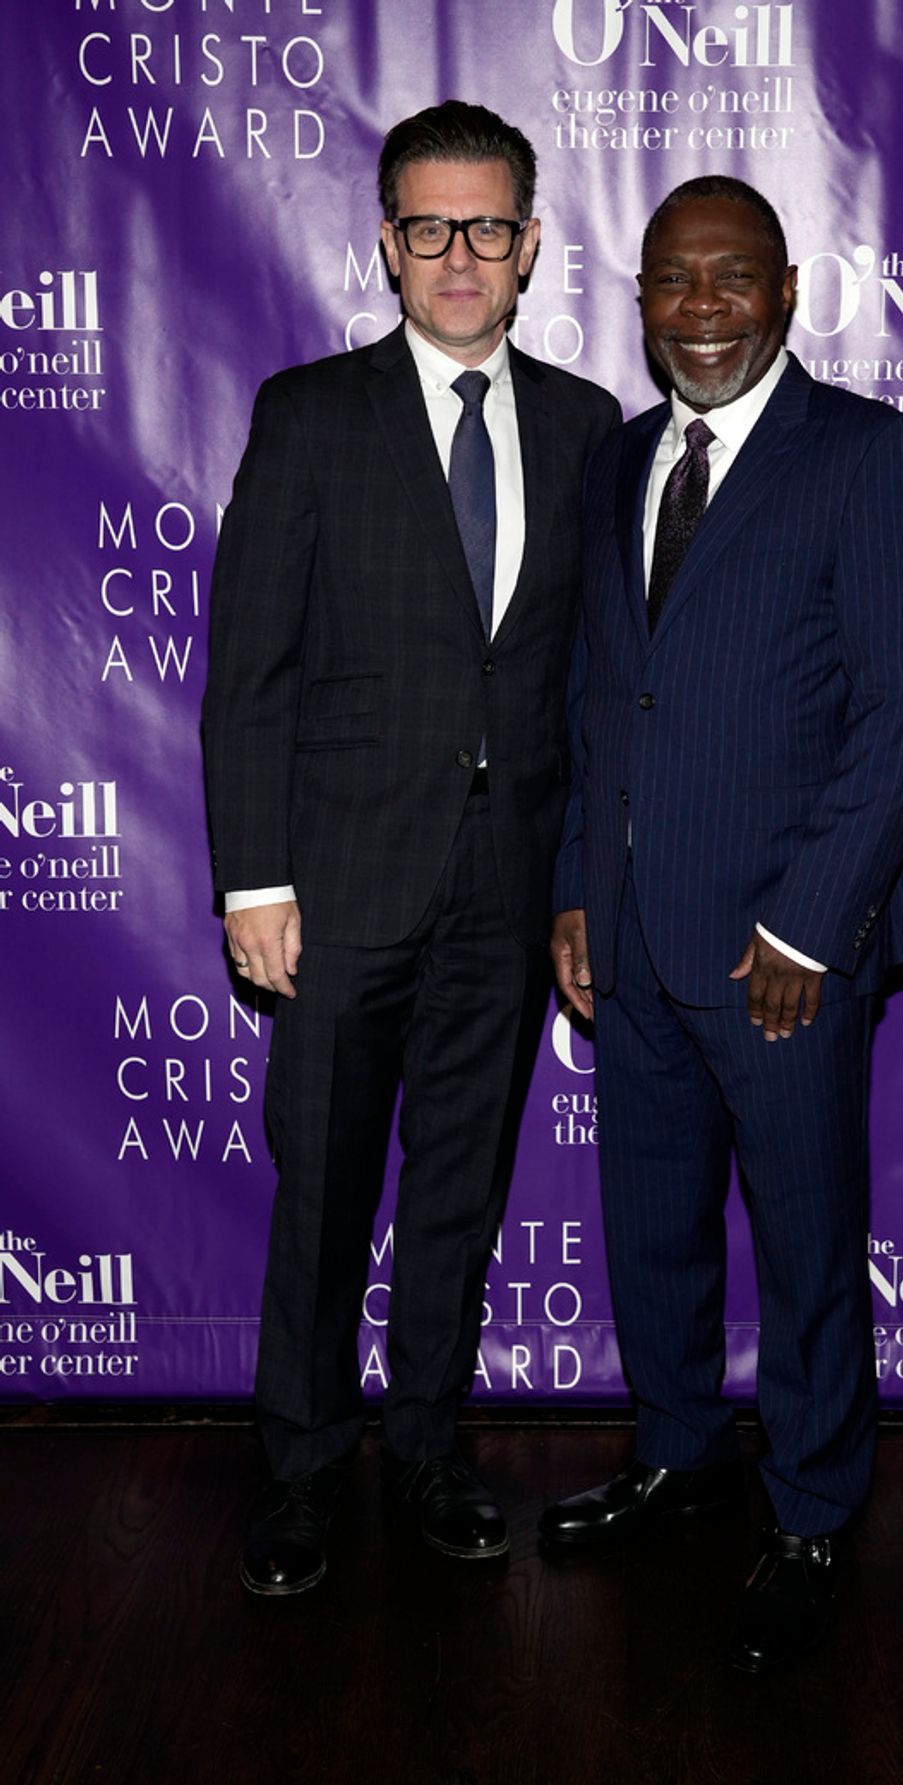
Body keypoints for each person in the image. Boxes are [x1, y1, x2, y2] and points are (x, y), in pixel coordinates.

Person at [201, 100, 619, 1596]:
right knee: (320, 1193)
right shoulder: (310, 414)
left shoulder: (585, 429)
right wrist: (254, 880)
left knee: (459, 1187)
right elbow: (249, 670)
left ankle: (432, 1444)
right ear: (387, 244)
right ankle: (304, 1464)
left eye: (487, 228)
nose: (458, 256)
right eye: (429, 227)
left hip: (505, 897)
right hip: (337, 892)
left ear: (528, 246)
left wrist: (580, 886)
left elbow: (593, 685)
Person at [540, 175, 903, 1673]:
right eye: (671, 280)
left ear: (785, 290)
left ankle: (815, 1508)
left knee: (805, 1238)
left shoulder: (869, 454)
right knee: (652, 1222)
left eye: (730, 277)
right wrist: (577, 884)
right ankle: (677, 1450)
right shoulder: (619, 461)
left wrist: (808, 928)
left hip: (784, 953)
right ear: (639, 299)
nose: (700, 307)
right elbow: (603, 700)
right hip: (635, 937)